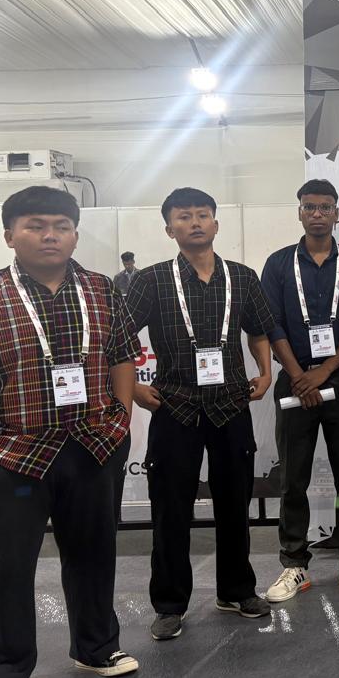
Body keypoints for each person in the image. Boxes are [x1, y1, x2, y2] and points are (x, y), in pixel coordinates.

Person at [0, 187, 140, 678]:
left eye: (61, 225)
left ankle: (96, 648)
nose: (49, 235)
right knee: (6, 569)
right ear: (9, 235)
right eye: (35, 225)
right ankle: (5, 671)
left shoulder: (102, 289)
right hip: (11, 453)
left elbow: (123, 356)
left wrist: (120, 421)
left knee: (94, 555)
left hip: (92, 447)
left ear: (75, 234)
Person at [126, 187, 276, 641]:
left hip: (231, 404)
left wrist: (265, 372)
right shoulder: (151, 280)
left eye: (203, 215)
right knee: (170, 509)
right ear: (169, 228)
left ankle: (237, 590)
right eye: (184, 216)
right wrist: (133, 387)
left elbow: (259, 331)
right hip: (175, 405)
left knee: (235, 504)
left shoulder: (242, 277)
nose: (194, 223)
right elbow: (118, 338)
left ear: (216, 223)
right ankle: (170, 604)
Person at [260, 179, 339, 603]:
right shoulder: (278, 264)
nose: (317, 214)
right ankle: (294, 563)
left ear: (336, 213)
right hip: (294, 381)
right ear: (300, 212)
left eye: (325, 207)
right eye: (309, 207)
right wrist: (298, 375)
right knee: (294, 478)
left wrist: (324, 371)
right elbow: (271, 323)